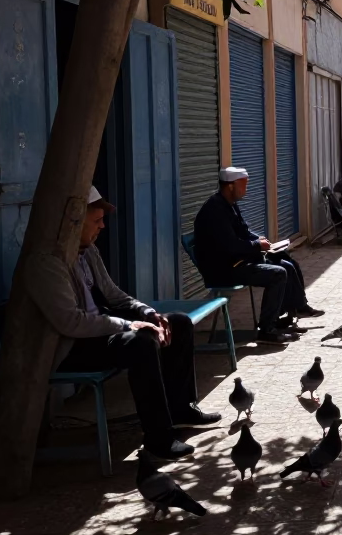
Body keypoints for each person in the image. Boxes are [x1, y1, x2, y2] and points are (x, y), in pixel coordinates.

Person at [28, 186, 222, 460]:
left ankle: (181, 409)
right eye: (96, 221)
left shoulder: (88, 251)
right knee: (140, 344)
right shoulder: (47, 262)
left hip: (100, 331)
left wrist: (147, 313)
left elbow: (113, 294)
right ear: (73, 223)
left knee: (177, 323)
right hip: (73, 348)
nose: (102, 226)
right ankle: (159, 439)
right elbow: (70, 323)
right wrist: (127, 326)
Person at [193, 167, 323, 343]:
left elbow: (243, 231)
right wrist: (256, 246)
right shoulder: (215, 210)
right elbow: (231, 245)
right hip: (224, 269)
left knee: (285, 261)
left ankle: (294, 309)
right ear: (230, 186)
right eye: (243, 185)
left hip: (236, 262)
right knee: (278, 273)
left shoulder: (228, 205)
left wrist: (260, 241)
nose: (246, 189)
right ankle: (267, 330)